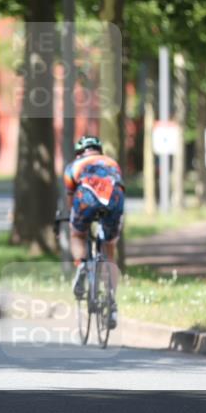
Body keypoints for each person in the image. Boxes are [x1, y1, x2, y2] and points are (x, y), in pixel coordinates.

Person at [63, 135, 125, 328]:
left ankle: (81, 265)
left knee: (76, 233)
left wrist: (74, 220)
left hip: (86, 197)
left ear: (80, 153)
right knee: (109, 245)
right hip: (114, 198)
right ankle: (112, 302)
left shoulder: (74, 166)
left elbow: (71, 199)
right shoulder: (112, 163)